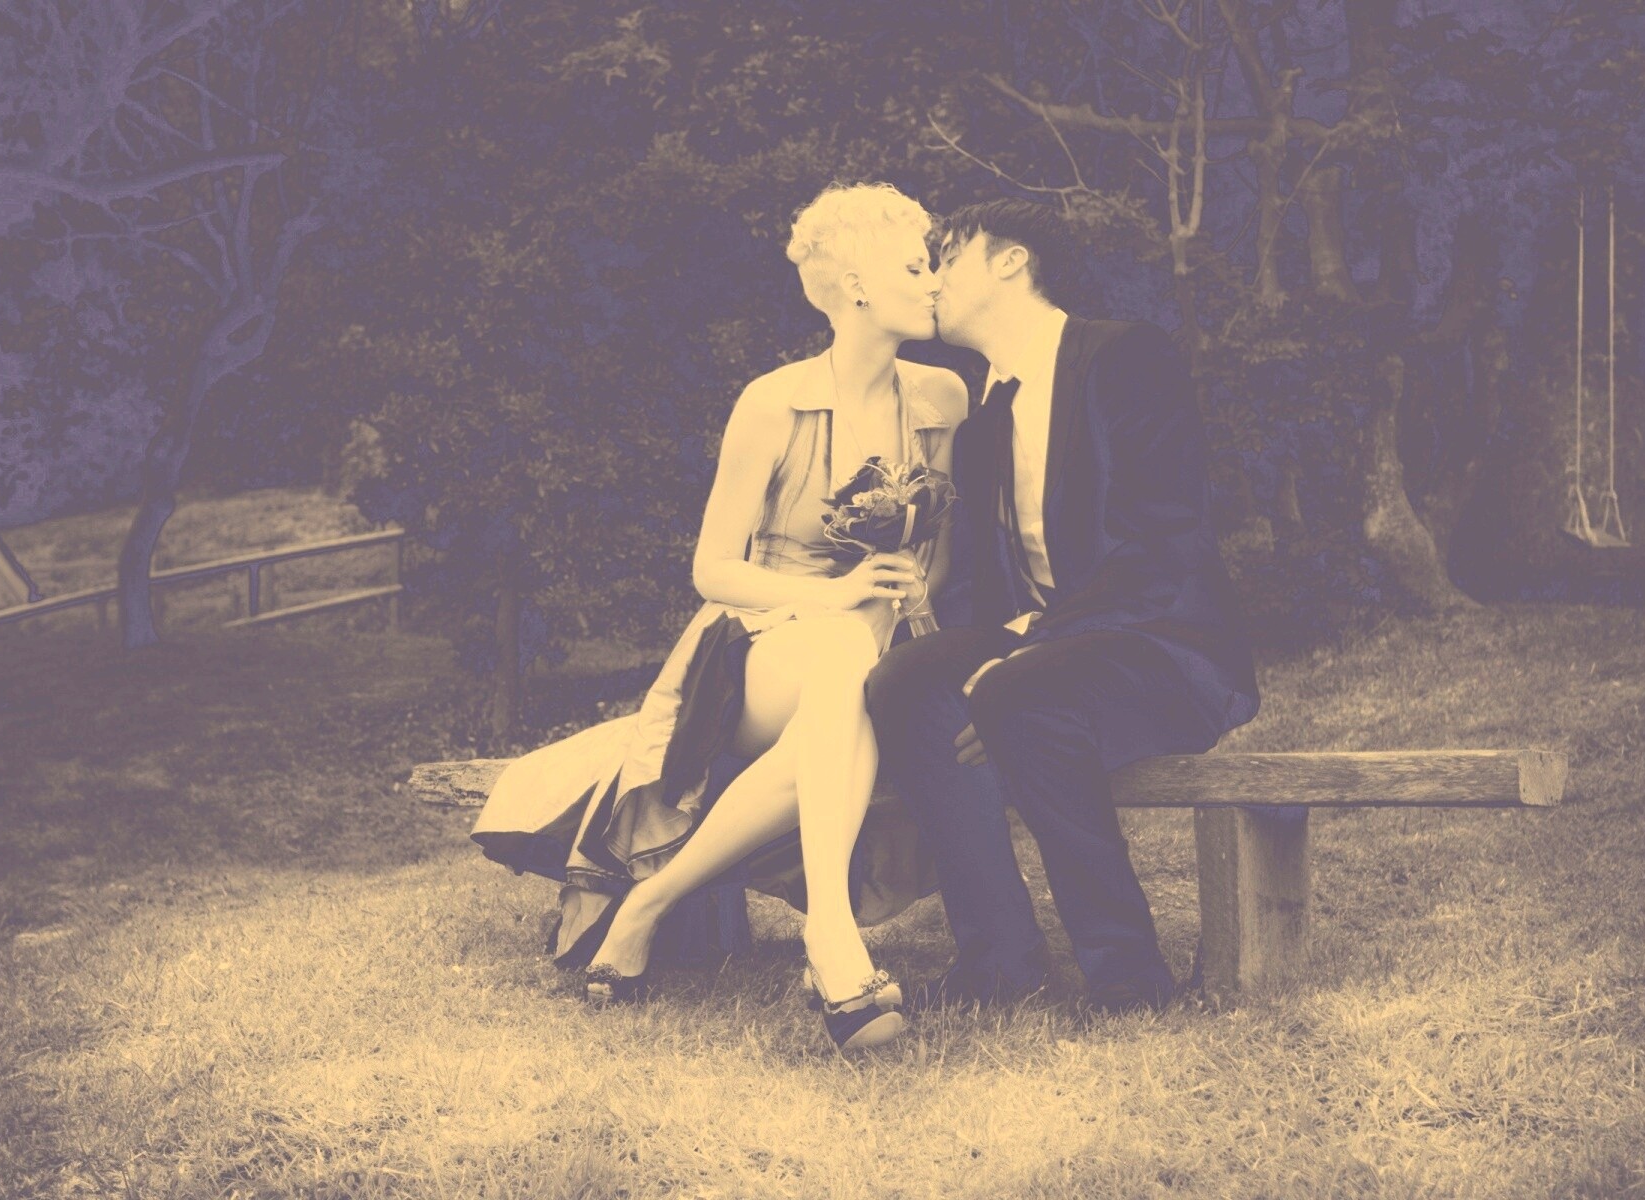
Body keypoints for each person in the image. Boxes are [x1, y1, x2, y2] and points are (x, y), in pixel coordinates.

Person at [467, 182, 968, 1052]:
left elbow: (940, 556)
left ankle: (649, 904)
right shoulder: (772, 402)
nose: (936, 282)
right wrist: (834, 596)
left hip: (879, 647)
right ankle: (832, 935)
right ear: (856, 286)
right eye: (917, 266)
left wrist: (914, 587)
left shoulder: (943, 399)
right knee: (842, 657)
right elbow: (714, 571)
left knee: (846, 686)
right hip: (760, 644)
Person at [865, 199, 1260, 1015]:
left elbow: (1163, 541)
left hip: (1159, 644)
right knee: (904, 680)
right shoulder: (985, 419)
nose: (932, 277)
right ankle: (999, 962)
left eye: (948, 255)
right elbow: (985, 593)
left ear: (1012, 260)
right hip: (1046, 654)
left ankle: (1129, 976)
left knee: (1019, 689)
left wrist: (1030, 648)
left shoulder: (1125, 358)